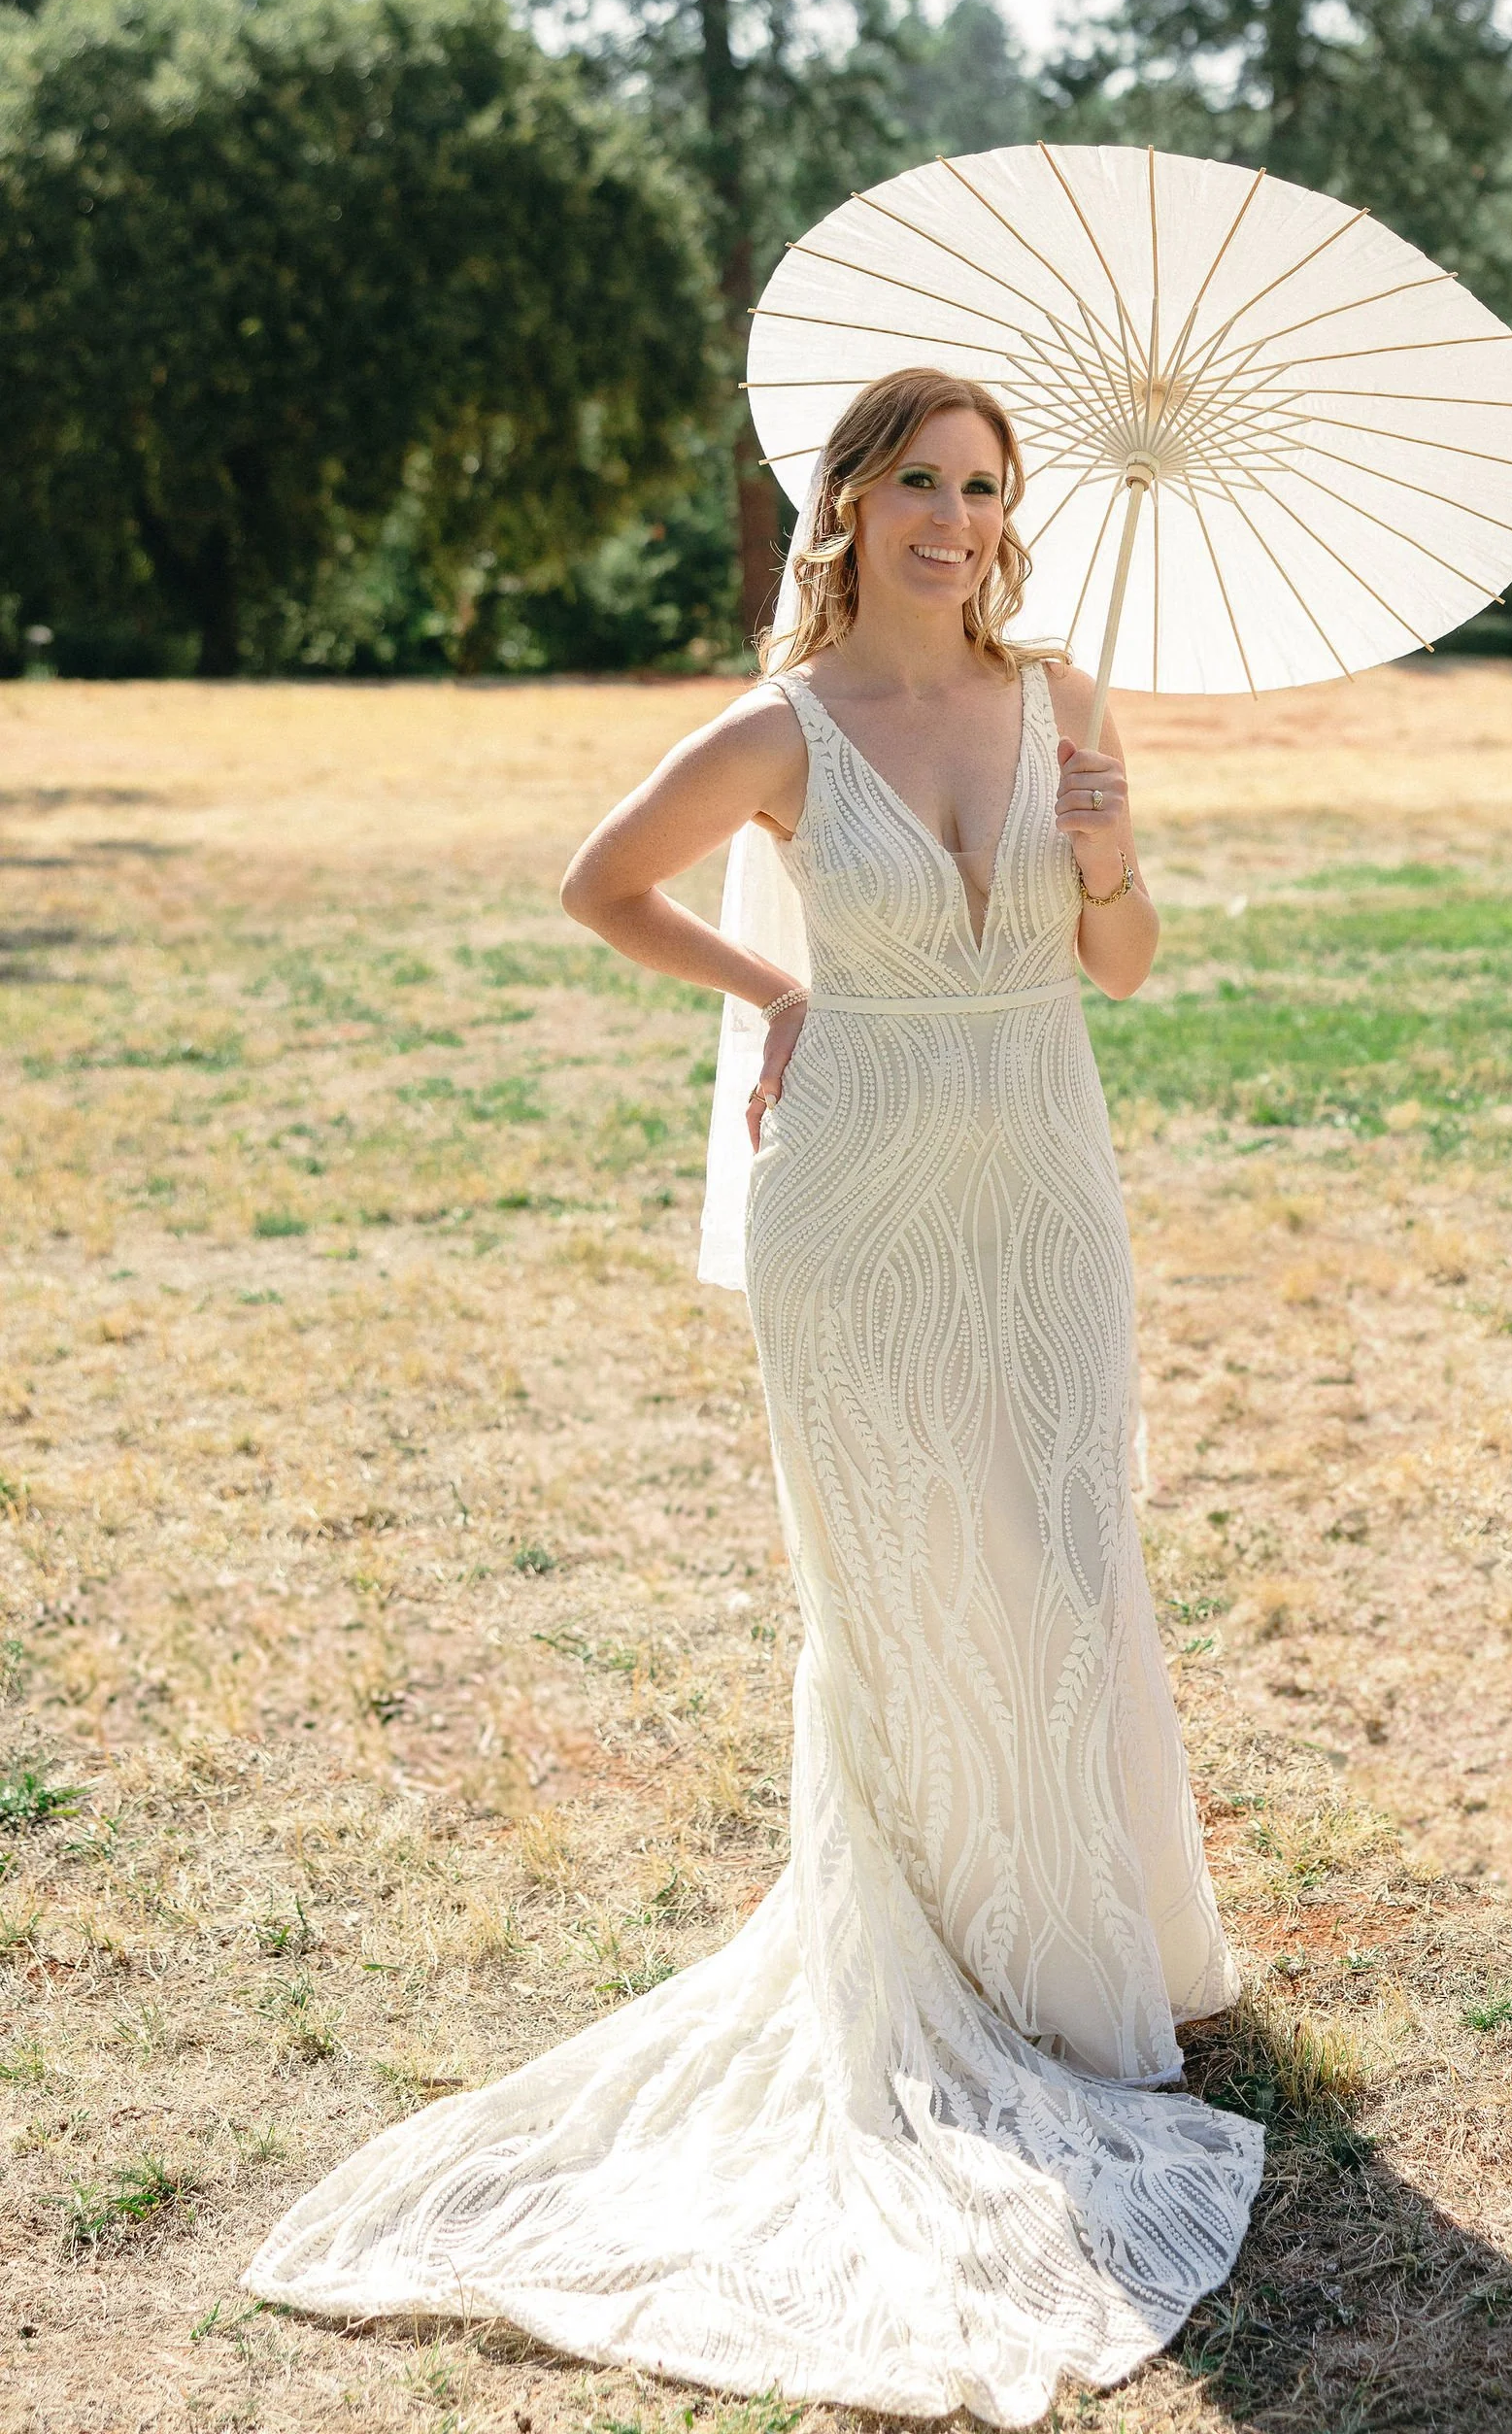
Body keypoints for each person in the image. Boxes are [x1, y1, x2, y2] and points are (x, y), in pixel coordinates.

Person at [242, 368, 1260, 2426]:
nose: (956, 522)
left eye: (985, 489)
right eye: (920, 485)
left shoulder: (1067, 700)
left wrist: (1115, 841)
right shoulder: (780, 733)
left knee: (1064, 1557)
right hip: (863, 1204)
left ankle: (1088, 1964)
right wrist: (779, 986)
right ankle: (945, 1972)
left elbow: (1126, 966)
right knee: (902, 1591)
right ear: (849, 504)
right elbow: (597, 887)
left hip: (1046, 1186)